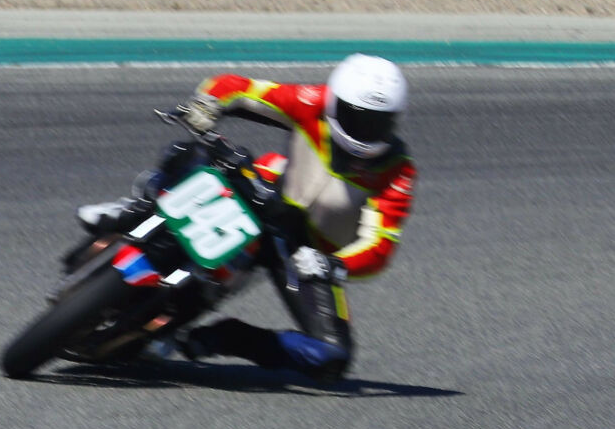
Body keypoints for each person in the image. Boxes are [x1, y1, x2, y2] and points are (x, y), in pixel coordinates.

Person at [80, 53, 416, 382]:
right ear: (334, 103)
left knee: (331, 356)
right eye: (356, 117)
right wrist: (206, 106)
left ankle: (223, 338)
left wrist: (335, 266)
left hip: (306, 252)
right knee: (195, 154)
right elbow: (238, 87)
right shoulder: (312, 101)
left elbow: (381, 246)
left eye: (377, 122)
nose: (365, 129)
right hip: (265, 193)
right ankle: (133, 210)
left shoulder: (397, 171)